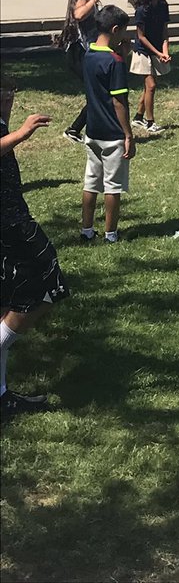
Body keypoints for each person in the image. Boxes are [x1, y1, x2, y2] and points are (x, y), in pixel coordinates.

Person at [1, 79, 69, 421]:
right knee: (45, 292)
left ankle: (1, 397)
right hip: (11, 226)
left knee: (7, 304)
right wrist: (21, 133)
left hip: (12, 222)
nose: (9, 96)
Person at [81, 5, 135, 244]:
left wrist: (121, 54)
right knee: (113, 185)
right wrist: (128, 134)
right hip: (113, 132)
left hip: (93, 130)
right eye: (123, 31)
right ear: (115, 30)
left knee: (91, 182)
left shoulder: (89, 54)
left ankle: (86, 229)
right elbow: (119, 102)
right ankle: (111, 233)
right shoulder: (115, 62)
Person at [57, 0, 105, 144]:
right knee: (97, 94)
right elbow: (79, 15)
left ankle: (79, 130)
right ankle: (74, 130)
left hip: (88, 53)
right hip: (79, 54)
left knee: (98, 94)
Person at [130, 0, 171, 133]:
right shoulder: (141, 10)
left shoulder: (163, 6)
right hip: (143, 50)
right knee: (151, 86)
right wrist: (158, 53)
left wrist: (165, 52)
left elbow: (164, 31)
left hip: (157, 49)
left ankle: (138, 117)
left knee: (148, 87)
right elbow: (141, 37)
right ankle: (150, 122)